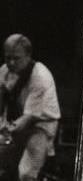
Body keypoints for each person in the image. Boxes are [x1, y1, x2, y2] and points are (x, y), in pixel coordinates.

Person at [0, 34, 60, 181]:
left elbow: (29, 118)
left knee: (26, 173)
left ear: (28, 55)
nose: (12, 62)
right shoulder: (3, 71)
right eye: (8, 58)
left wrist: (8, 129)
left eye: (17, 58)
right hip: (16, 123)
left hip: (40, 126)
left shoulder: (40, 76)